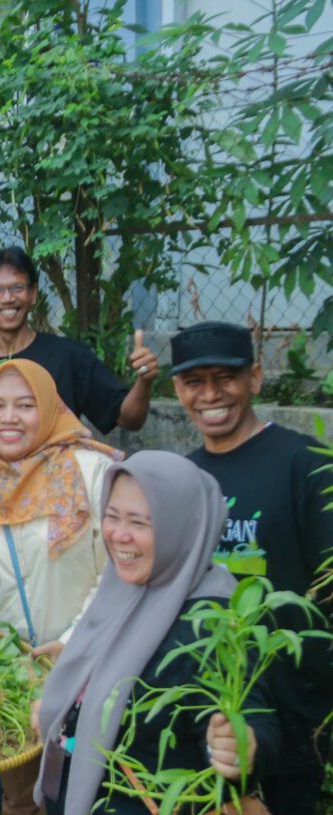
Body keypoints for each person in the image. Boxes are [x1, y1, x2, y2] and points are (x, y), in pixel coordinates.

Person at [33, 451, 279, 815]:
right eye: (112, 516)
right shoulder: (121, 591)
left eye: (140, 522)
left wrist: (240, 746)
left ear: (182, 527)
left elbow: (252, 717)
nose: (119, 535)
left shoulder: (210, 620)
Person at [0, 359, 119, 815]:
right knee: (21, 802)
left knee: (88, 797)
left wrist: (70, 645)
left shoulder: (92, 473)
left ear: (50, 408)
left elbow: (117, 579)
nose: (8, 417)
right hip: (12, 683)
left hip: (91, 675)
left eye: (25, 405)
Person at [169, 320, 333, 814]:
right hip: (208, 714)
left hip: (295, 712)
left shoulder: (306, 464)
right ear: (176, 389)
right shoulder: (183, 477)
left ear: (256, 378)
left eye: (227, 378)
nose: (211, 395)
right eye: (194, 382)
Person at [0, 246, 158, 433]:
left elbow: (129, 420)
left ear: (33, 293)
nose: (7, 298)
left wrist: (144, 381)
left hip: (57, 475)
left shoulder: (69, 357)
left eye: (17, 288)